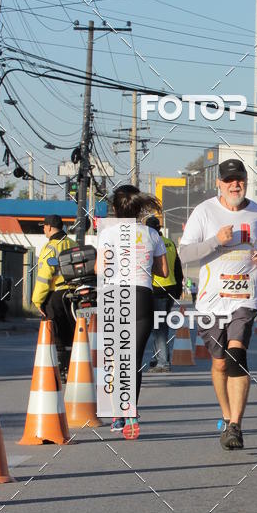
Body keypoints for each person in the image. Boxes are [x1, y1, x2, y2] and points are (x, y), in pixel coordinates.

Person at [179, 158, 257, 450]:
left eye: (239, 179)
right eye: (228, 180)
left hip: (244, 297)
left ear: (246, 181)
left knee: (235, 356)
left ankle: (235, 426)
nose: (235, 184)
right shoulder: (204, 212)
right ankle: (227, 415)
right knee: (219, 364)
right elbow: (185, 255)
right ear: (218, 183)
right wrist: (215, 241)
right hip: (209, 301)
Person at [98, 186, 168, 436]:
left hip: (115, 295)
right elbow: (164, 272)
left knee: (116, 359)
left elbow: (100, 268)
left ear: (115, 209)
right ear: (140, 207)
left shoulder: (107, 233)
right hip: (141, 296)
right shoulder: (152, 234)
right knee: (134, 360)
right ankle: (129, 415)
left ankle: (117, 415)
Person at [32, 215, 74, 381]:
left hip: (55, 294)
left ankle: (61, 369)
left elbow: (44, 276)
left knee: (55, 334)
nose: (43, 229)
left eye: (44, 226)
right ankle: (73, 367)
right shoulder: (72, 243)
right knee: (72, 332)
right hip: (72, 295)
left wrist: (37, 300)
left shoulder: (51, 247)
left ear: (49, 227)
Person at [145, 215, 183, 373]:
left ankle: (163, 362)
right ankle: (157, 358)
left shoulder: (150, 242)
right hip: (171, 288)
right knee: (158, 325)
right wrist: (179, 288)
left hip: (157, 288)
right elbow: (177, 266)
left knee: (159, 327)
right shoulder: (169, 242)